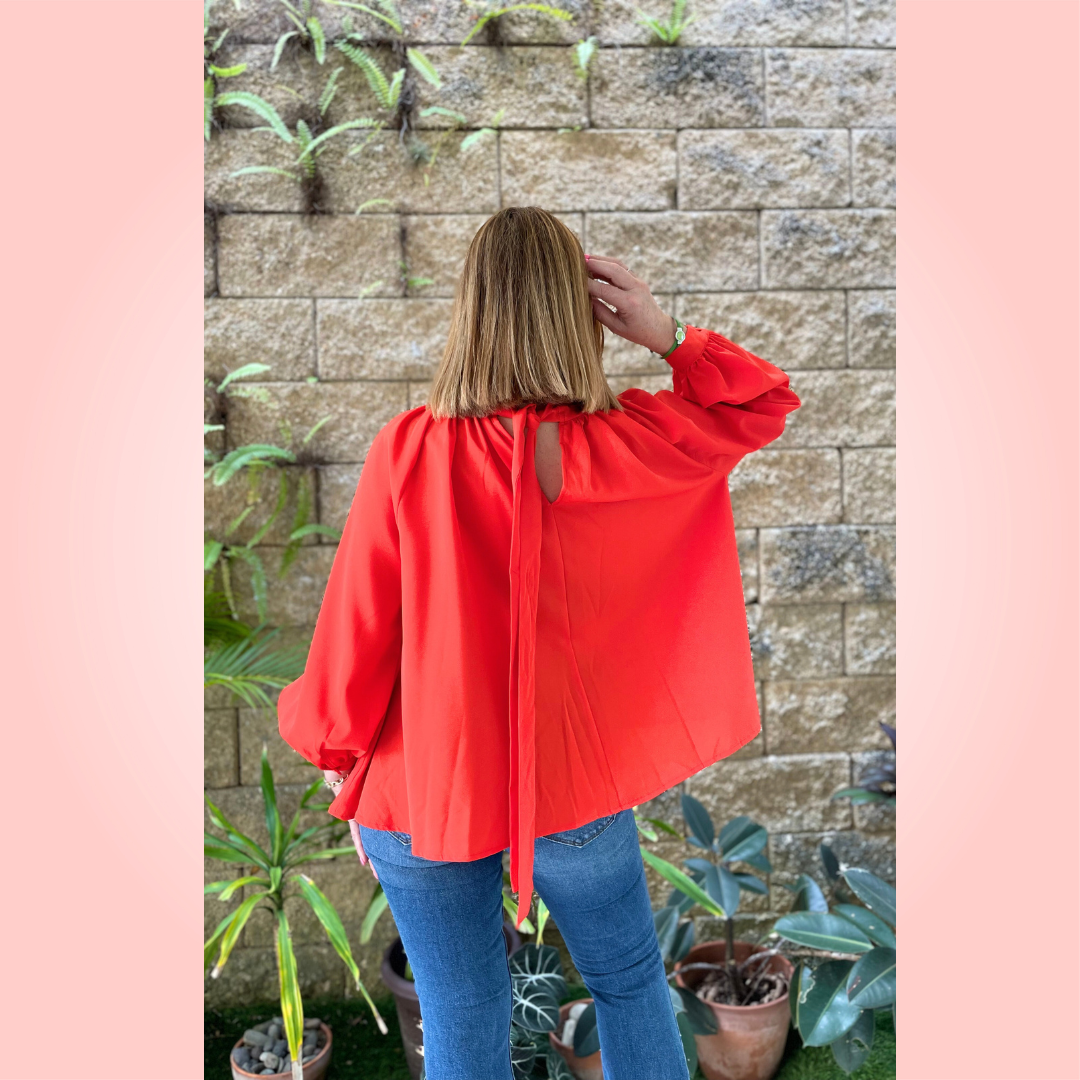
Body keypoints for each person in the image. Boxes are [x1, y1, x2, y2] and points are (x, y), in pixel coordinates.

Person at [277, 206, 801, 1079]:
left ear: (470, 309)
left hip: (423, 785)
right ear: (581, 309)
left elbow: (354, 634)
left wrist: (339, 758)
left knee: (459, 1009)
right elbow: (761, 400)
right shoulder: (635, 442)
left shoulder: (412, 450)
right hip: (571, 786)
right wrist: (667, 335)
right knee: (629, 983)